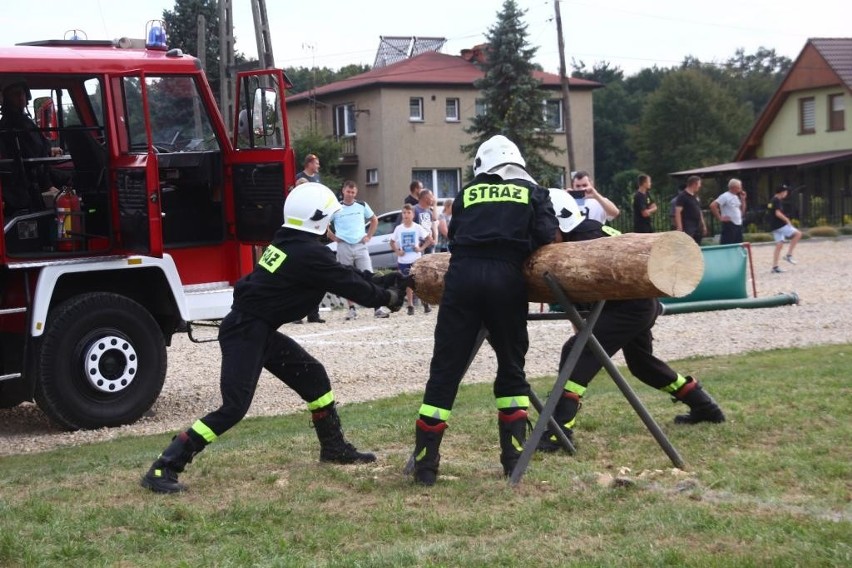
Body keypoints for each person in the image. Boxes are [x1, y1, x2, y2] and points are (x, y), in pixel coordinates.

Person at [140, 183, 406, 494]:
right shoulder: (307, 253)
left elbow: (341, 274)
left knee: (314, 378)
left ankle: (333, 448)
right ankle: (165, 466)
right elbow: (350, 285)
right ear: (317, 219)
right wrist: (386, 297)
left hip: (258, 328)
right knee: (234, 408)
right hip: (246, 332)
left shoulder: (290, 243)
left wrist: (384, 280)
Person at [405, 135, 558, 485]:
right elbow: (548, 234)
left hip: (462, 279)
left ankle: (426, 467)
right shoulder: (534, 192)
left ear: (481, 165)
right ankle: (513, 460)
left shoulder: (467, 193)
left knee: (445, 371)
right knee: (511, 367)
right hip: (507, 279)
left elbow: (455, 236)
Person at [537, 186, 725, 453]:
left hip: (630, 308)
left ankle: (558, 433)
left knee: (575, 353)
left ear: (561, 220)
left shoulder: (584, 240)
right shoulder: (579, 234)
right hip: (631, 304)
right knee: (642, 365)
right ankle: (704, 406)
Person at [0, 81, 65, 215]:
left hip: (32, 175)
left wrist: (49, 150)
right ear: (6, 99)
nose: (21, 97)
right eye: (15, 95)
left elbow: (34, 147)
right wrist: (48, 185)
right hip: (30, 181)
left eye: (22, 93)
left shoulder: (21, 120)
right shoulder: (14, 123)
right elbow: (32, 155)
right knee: (75, 180)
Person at [327, 180, 388, 319]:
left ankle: (377, 307)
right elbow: (325, 223)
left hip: (360, 245)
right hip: (343, 245)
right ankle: (352, 308)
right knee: (347, 278)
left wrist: (369, 236)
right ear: (343, 191)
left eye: (353, 192)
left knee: (369, 275)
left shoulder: (362, 205)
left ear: (356, 193)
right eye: (348, 191)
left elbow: (374, 220)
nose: (350, 194)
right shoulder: (335, 207)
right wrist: (333, 237)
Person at [294, 153, 325, 323]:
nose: (318, 165)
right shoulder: (299, 179)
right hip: (301, 231)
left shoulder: (317, 179)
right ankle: (297, 314)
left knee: (314, 273)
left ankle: (314, 314)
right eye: (316, 162)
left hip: (314, 230)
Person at [390, 204, 433, 315]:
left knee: (418, 282)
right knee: (408, 283)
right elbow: (392, 242)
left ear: (413, 215)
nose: (406, 215)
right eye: (404, 213)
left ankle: (424, 302)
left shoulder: (417, 227)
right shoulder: (398, 229)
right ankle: (410, 305)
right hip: (403, 260)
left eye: (408, 213)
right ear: (402, 214)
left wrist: (421, 248)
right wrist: (398, 251)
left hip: (415, 259)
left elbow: (429, 239)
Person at [569, 170, 620, 237]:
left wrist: (596, 196)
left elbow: (615, 213)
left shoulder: (599, 200)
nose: (581, 188)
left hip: (595, 237)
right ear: (573, 186)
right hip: (575, 238)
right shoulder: (568, 201)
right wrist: (564, 197)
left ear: (591, 184)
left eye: (585, 185)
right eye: (578, 186)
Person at [413, 188, 439, 313]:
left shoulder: (428, 211)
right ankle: (419, 301)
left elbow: (435, 219)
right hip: (419, 245)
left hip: (428, 244)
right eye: (431, 197)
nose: (433, 198)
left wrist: (433, 237)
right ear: (425, 197)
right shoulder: (415, 209)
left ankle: (427, 301)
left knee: (428, 272)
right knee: (419, 273)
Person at [767, 184, 802, 273]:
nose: (786, 193)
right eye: (786, 192)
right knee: (798, 234)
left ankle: (775, 267)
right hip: (779, 225)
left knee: (779, 245)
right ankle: (789, 255)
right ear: (782, 192)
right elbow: (777, 213)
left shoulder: (772, 200)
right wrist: (787, 220)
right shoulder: (777, 200)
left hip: (774, 226)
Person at [710, 178, 747, 245]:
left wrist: (743, 200)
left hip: (738, 224)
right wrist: (720, 218)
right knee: (728, 244)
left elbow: (742, 212)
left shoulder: (736, 197)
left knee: (738, 245)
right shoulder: (725, 196)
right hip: (730, 224)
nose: (741, 188)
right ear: (734, 187)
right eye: (739, 186)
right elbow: (713, 205)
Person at [674, 175, 707, 246]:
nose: (700, 186)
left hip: (697, 225)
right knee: (689, 245)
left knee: (697, 245)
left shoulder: (695, 196)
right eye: (699, 184)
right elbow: (677, 212)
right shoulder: (682, 196)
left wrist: (703, 224)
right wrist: (679, 227)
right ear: (694, 184)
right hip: (688, 225)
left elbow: (699, 210)